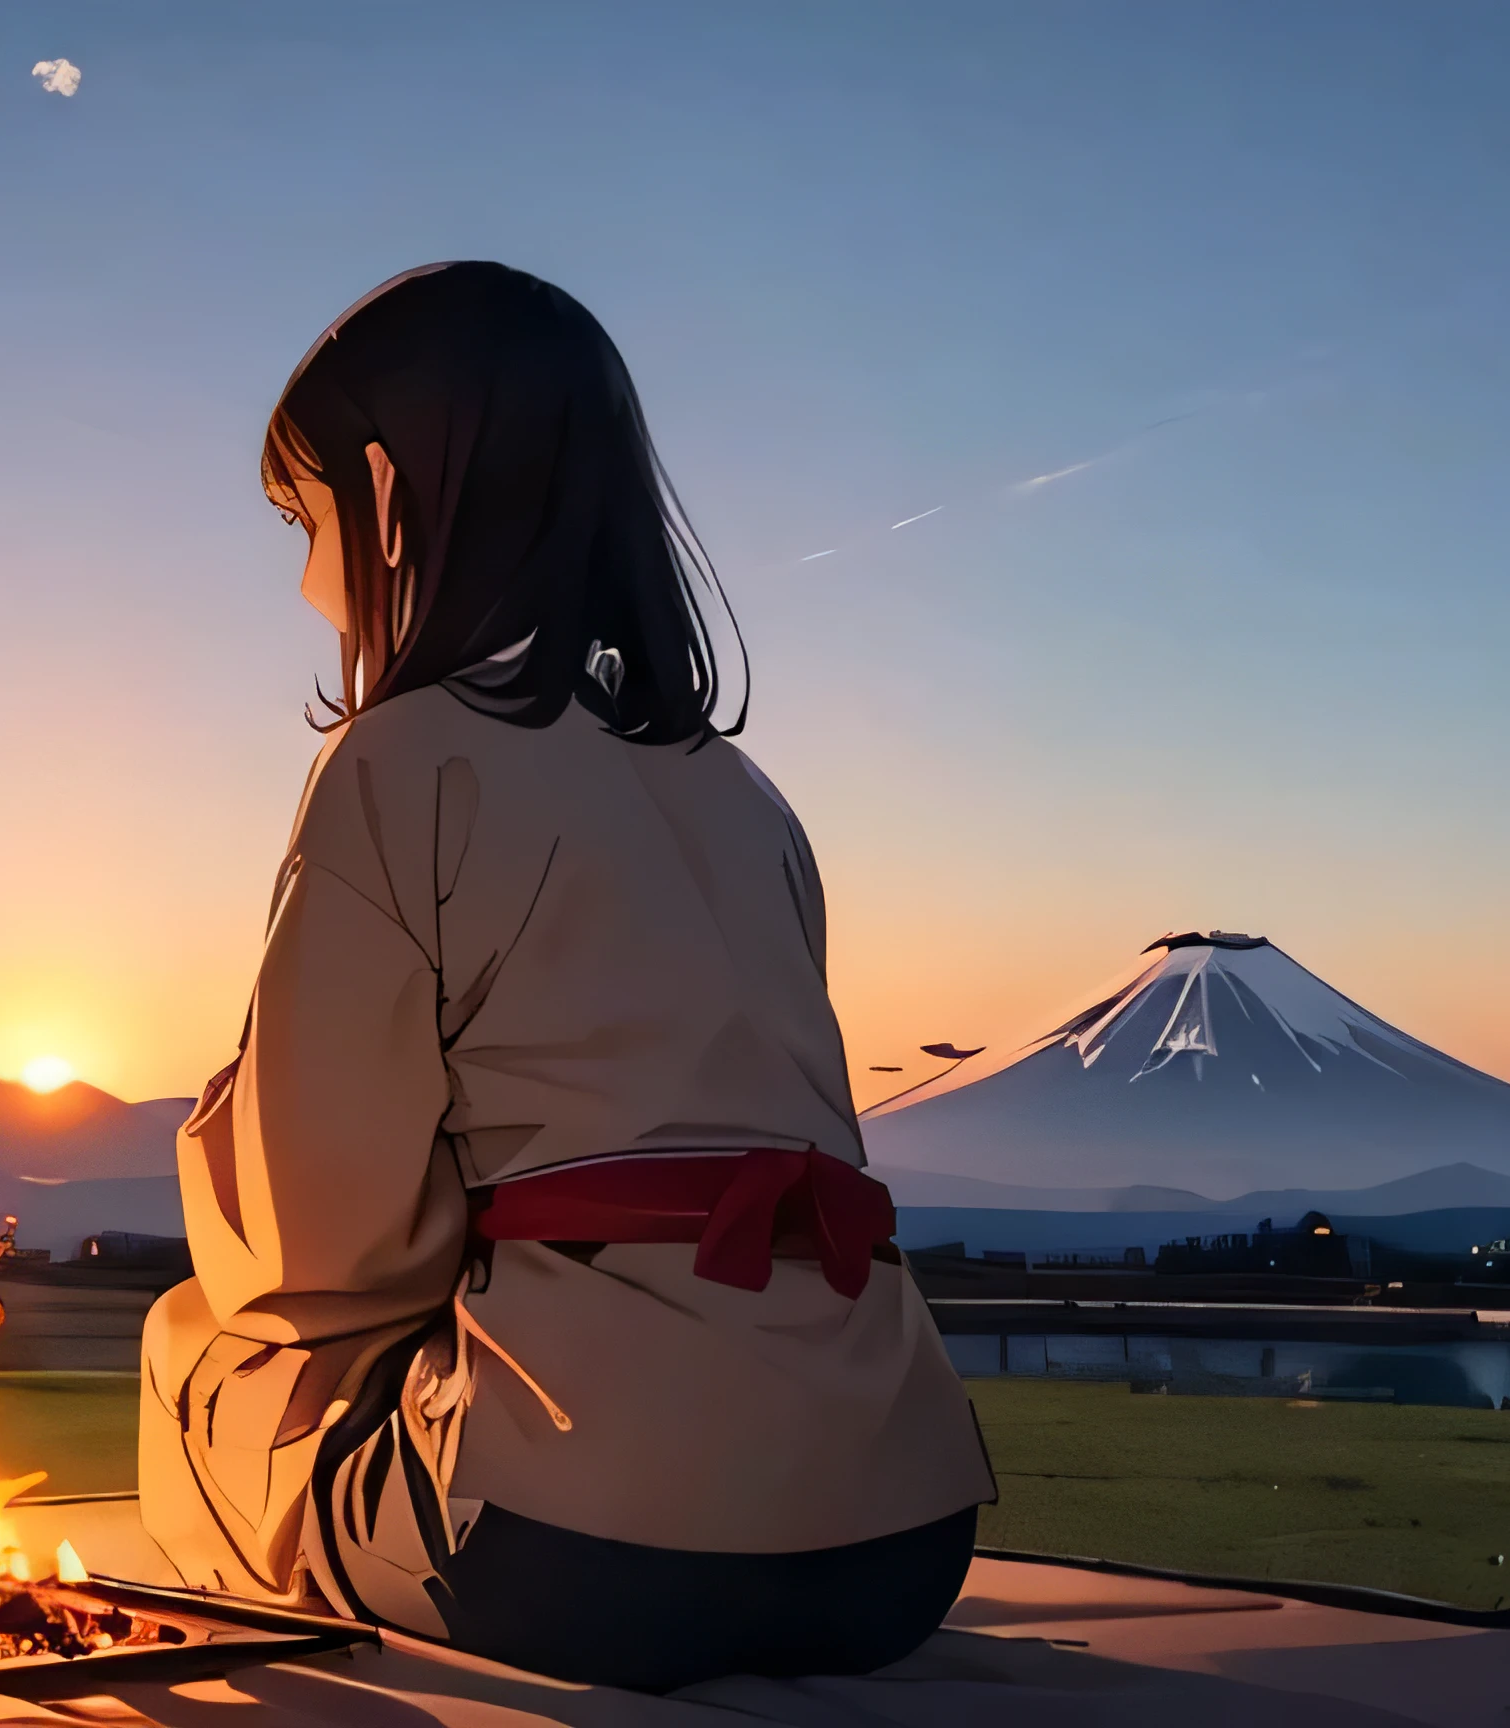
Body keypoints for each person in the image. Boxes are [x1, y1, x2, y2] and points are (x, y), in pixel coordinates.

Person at [137, 262, 996, 1692]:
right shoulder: (753, 803)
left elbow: (329, 1263)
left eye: (304, 520)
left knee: (191, 1352)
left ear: (391, 500)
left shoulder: (395, 767)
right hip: (899, 1538)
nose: (302, 580)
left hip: (584, 1547)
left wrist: (228, 1133)